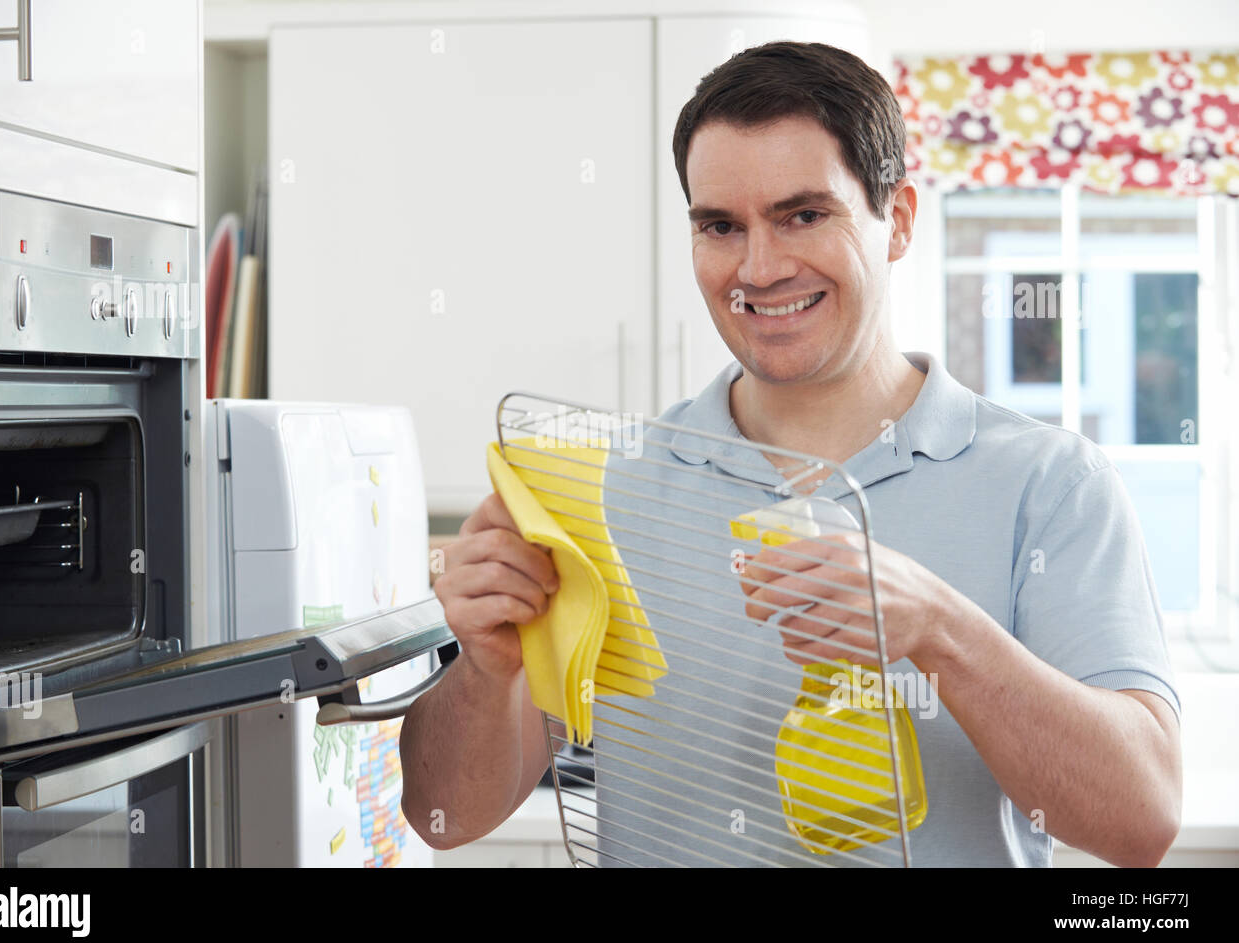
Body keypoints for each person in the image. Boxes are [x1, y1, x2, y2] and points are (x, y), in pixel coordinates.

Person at [400, 40, 1181, 867]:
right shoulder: (606, 490)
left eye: (803, 214)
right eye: (720, 226)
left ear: (900, 220)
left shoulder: (1051, 485)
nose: (760, 267)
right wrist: (488, 670)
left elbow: (1141, 823)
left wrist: (942, 631)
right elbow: (443, 813)